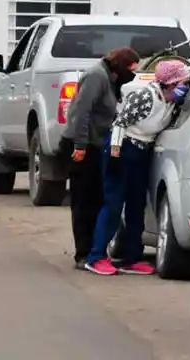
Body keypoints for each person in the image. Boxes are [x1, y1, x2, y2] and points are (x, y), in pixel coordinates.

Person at [82, 60, 190, 276]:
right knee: (113, 204)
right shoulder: (145, 97)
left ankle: (131, 257)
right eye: (182, 82)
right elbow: (120, 124)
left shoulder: (173, 103)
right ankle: (96, 256)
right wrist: (115, 153)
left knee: (136, 205)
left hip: (142, 151)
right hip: (123, 148)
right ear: (170, 83)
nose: (185, 87)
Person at [60, 47, 141, 268]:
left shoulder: (111, 79)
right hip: (84, 146)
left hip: (98, 145)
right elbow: (81, 111)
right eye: (130, 69)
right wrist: (80, 145)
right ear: (120, 65)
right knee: (84, 201)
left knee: (97, 199)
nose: (132, 73)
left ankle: (96, 250)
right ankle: (83, 253)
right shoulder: (97, 76)